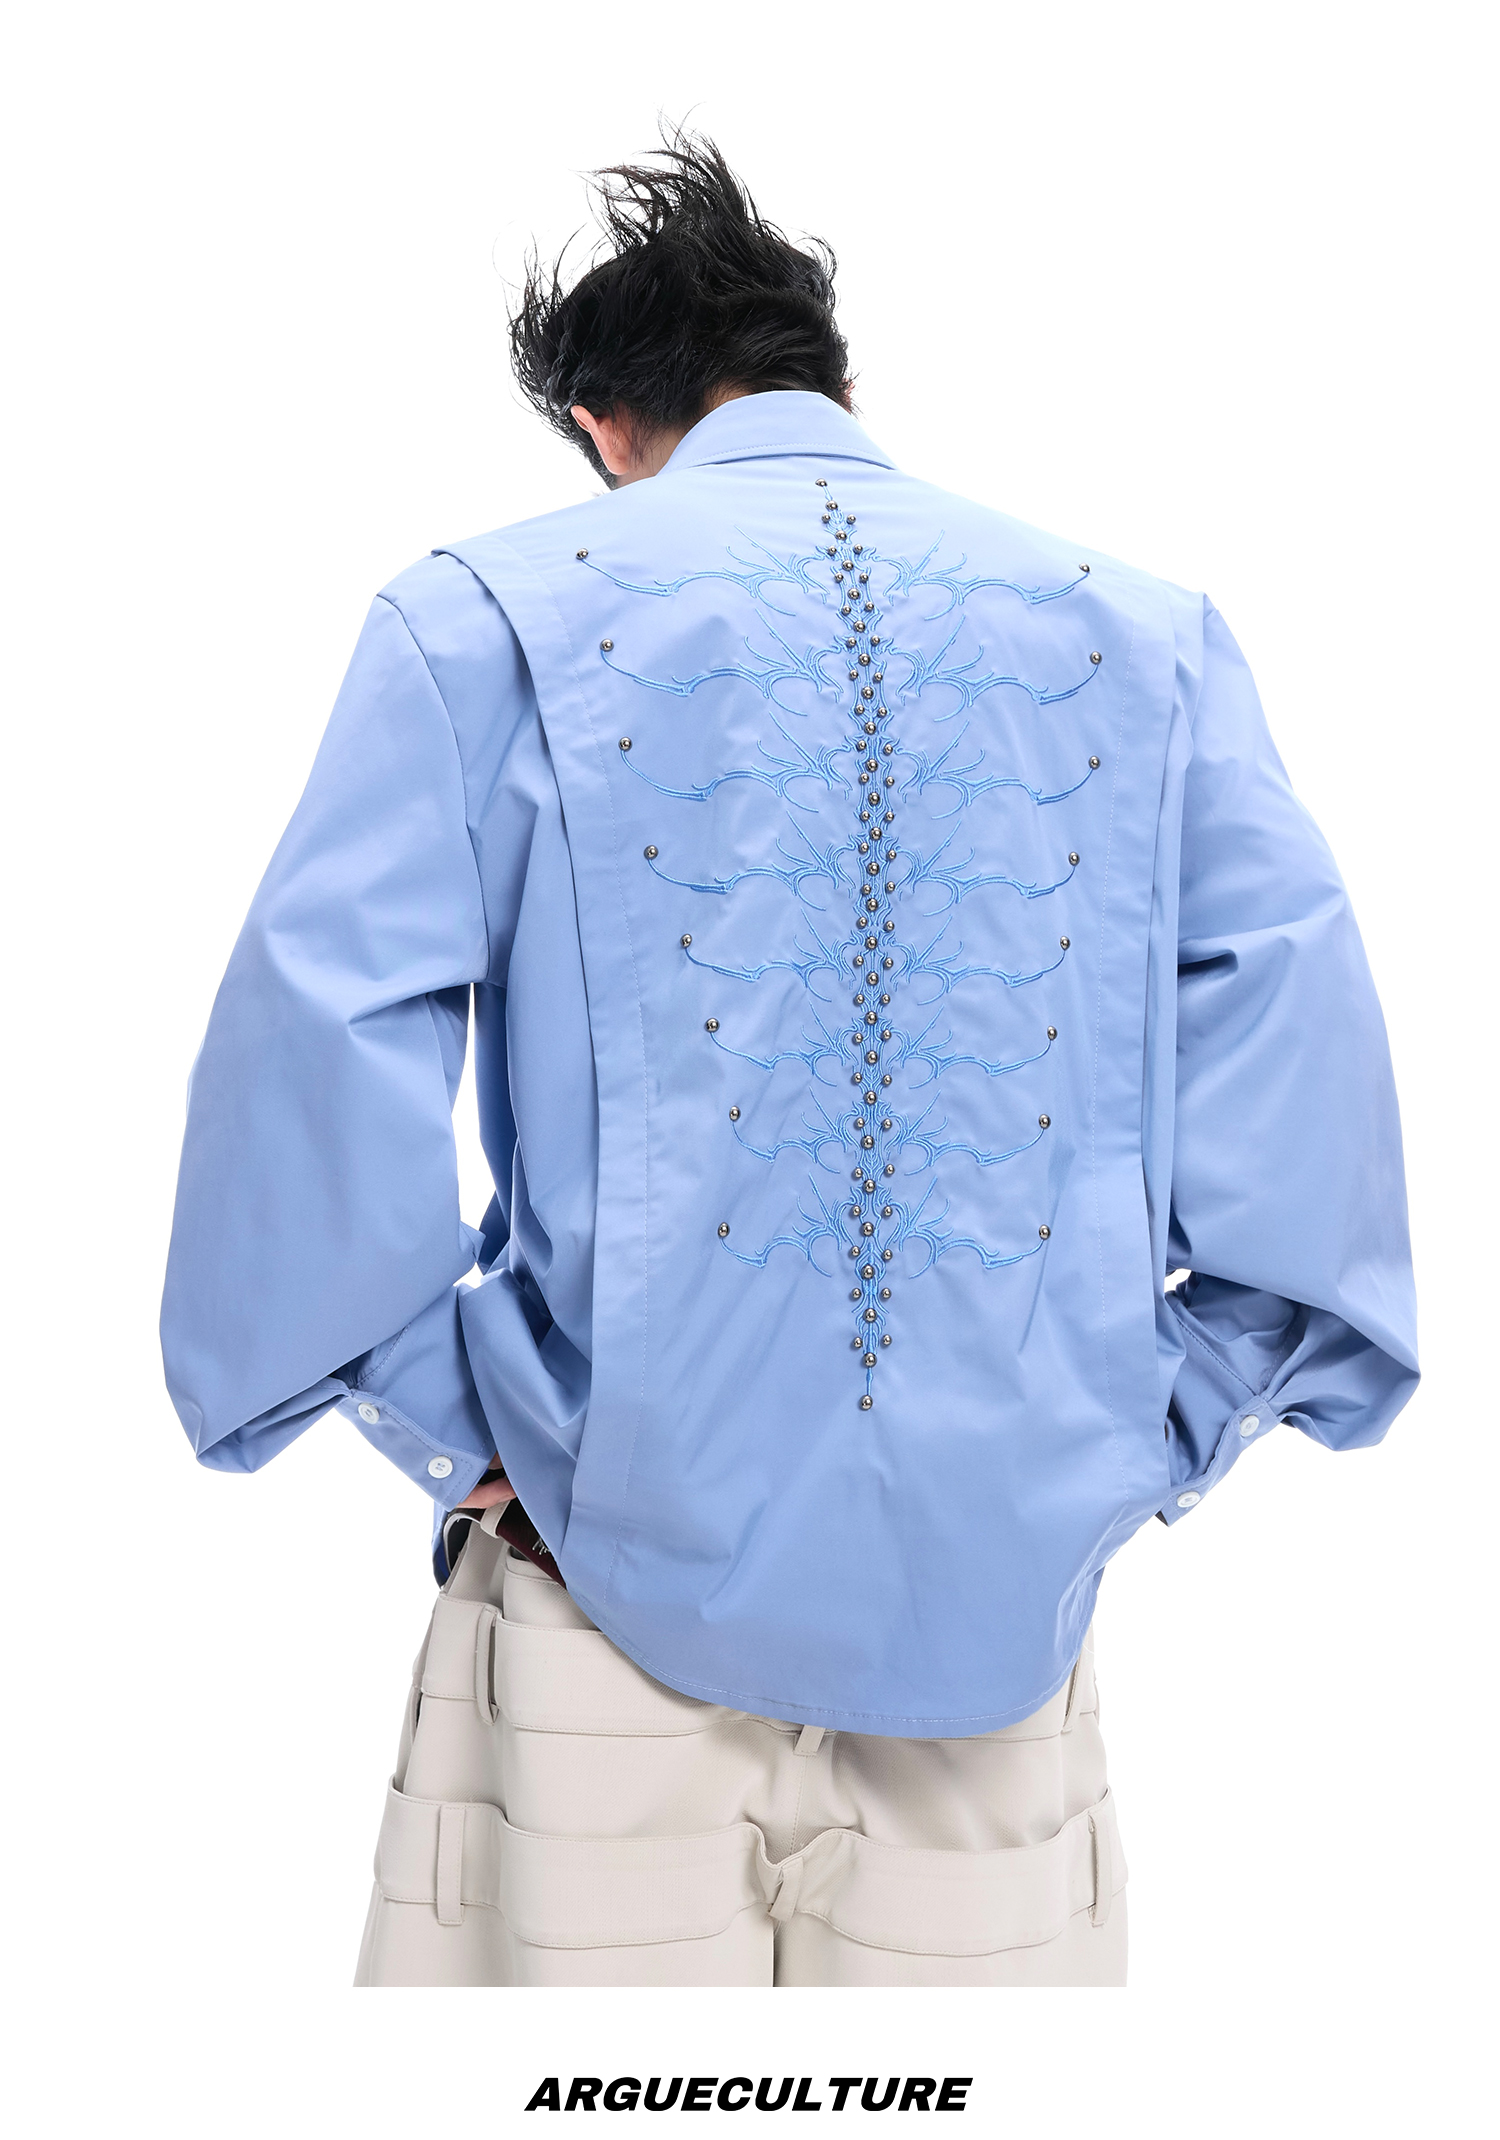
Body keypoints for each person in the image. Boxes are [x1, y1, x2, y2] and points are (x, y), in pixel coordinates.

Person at [160, 133, 1418, 1987]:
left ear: (602, 424)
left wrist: (470, 1431)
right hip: (1002, 1635)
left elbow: (317, 1032)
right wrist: (1143, 1427)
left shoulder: (481, 617)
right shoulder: (1149, 636)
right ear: (834, 383)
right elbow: (1298, 1028)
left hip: (596, 1596)